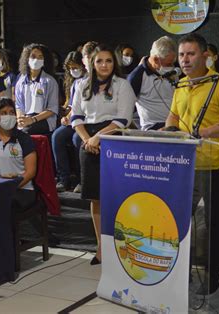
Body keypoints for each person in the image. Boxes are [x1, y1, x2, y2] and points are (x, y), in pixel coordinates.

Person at [164, 33, 219, 294]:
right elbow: (173, 118)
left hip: (214, 164)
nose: (185, 60)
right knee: (180, 222)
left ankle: (212, 279)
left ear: (205, 55)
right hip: (184, 164)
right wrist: (168, 131)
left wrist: (204, 133)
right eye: (182, 54)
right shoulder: (181, 85)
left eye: (191, 54)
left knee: (212, 224)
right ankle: (180, 274)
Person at [71, 44, 135, 265]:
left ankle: (122, 247)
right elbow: (76, 117)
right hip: (88, 142)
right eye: (99, 61)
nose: (104, 65)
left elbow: (124, 118)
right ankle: (101, 249)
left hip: (114, 139)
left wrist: (98, 137)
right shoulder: (82, 85)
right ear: (92, 63)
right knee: (96, 198)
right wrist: (88, 140)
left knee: (116, 196)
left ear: (114, 63)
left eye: (108, 61)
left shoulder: (122, 85)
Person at [0, 98, 37, 209]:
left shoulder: (24, 139)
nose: (9, 116)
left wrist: (10, 187)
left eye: (11, 112)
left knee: (4, 204)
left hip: (22, 189)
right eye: (4, 113)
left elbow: (31, 172)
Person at [52, 51, 86, 192]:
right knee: (57, 136)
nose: (74, 70)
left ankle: (81, 179)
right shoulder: (73, 83)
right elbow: (71, 105)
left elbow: (82, 105)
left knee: (76, 139)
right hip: (73, 120)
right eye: (71, 68)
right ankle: (63, 178)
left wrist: (70, 115)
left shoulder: (88, 80)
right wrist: (66, 115)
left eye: (76, 67)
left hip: (86, 121)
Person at [127, 36, 178, 130]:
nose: (172, 67)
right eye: (168, 64)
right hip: (153, 128)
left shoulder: (175, 70)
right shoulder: (136, 77)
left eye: (172, 63)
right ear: (155, 59)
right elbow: (124, 111)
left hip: (176, 125)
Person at [15, 43, 59, 135]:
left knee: (25, 133)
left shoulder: (49, 81)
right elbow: (18, 105)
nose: (36, 60)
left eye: (40, 57)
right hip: (26, 118)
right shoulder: (21, 81)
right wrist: (21, 119)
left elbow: (52, 109)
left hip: (44, 119)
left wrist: (32, 119)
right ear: (27, 59)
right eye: (33, 56)